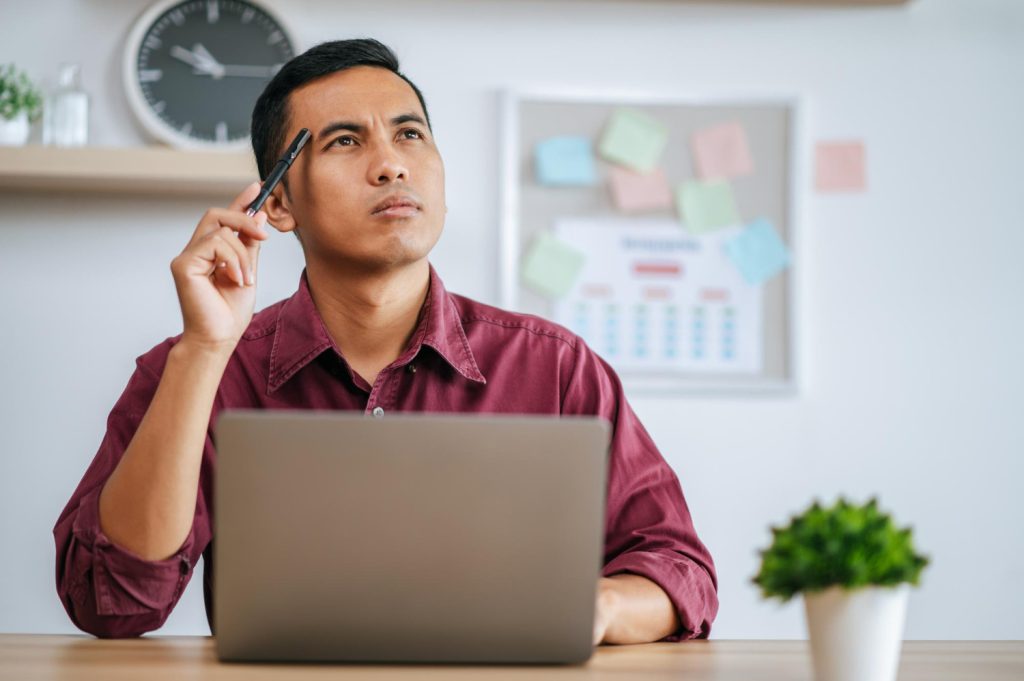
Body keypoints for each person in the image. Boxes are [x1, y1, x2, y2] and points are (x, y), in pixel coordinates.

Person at [53, 39, 718, 644]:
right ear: (277, 204)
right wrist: (202, 350)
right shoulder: (197, 367)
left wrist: (597, 604)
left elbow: (678, 569)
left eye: (409, 134)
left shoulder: (558, 367)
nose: (392, 164)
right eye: (345, 142)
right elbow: (111, 600)